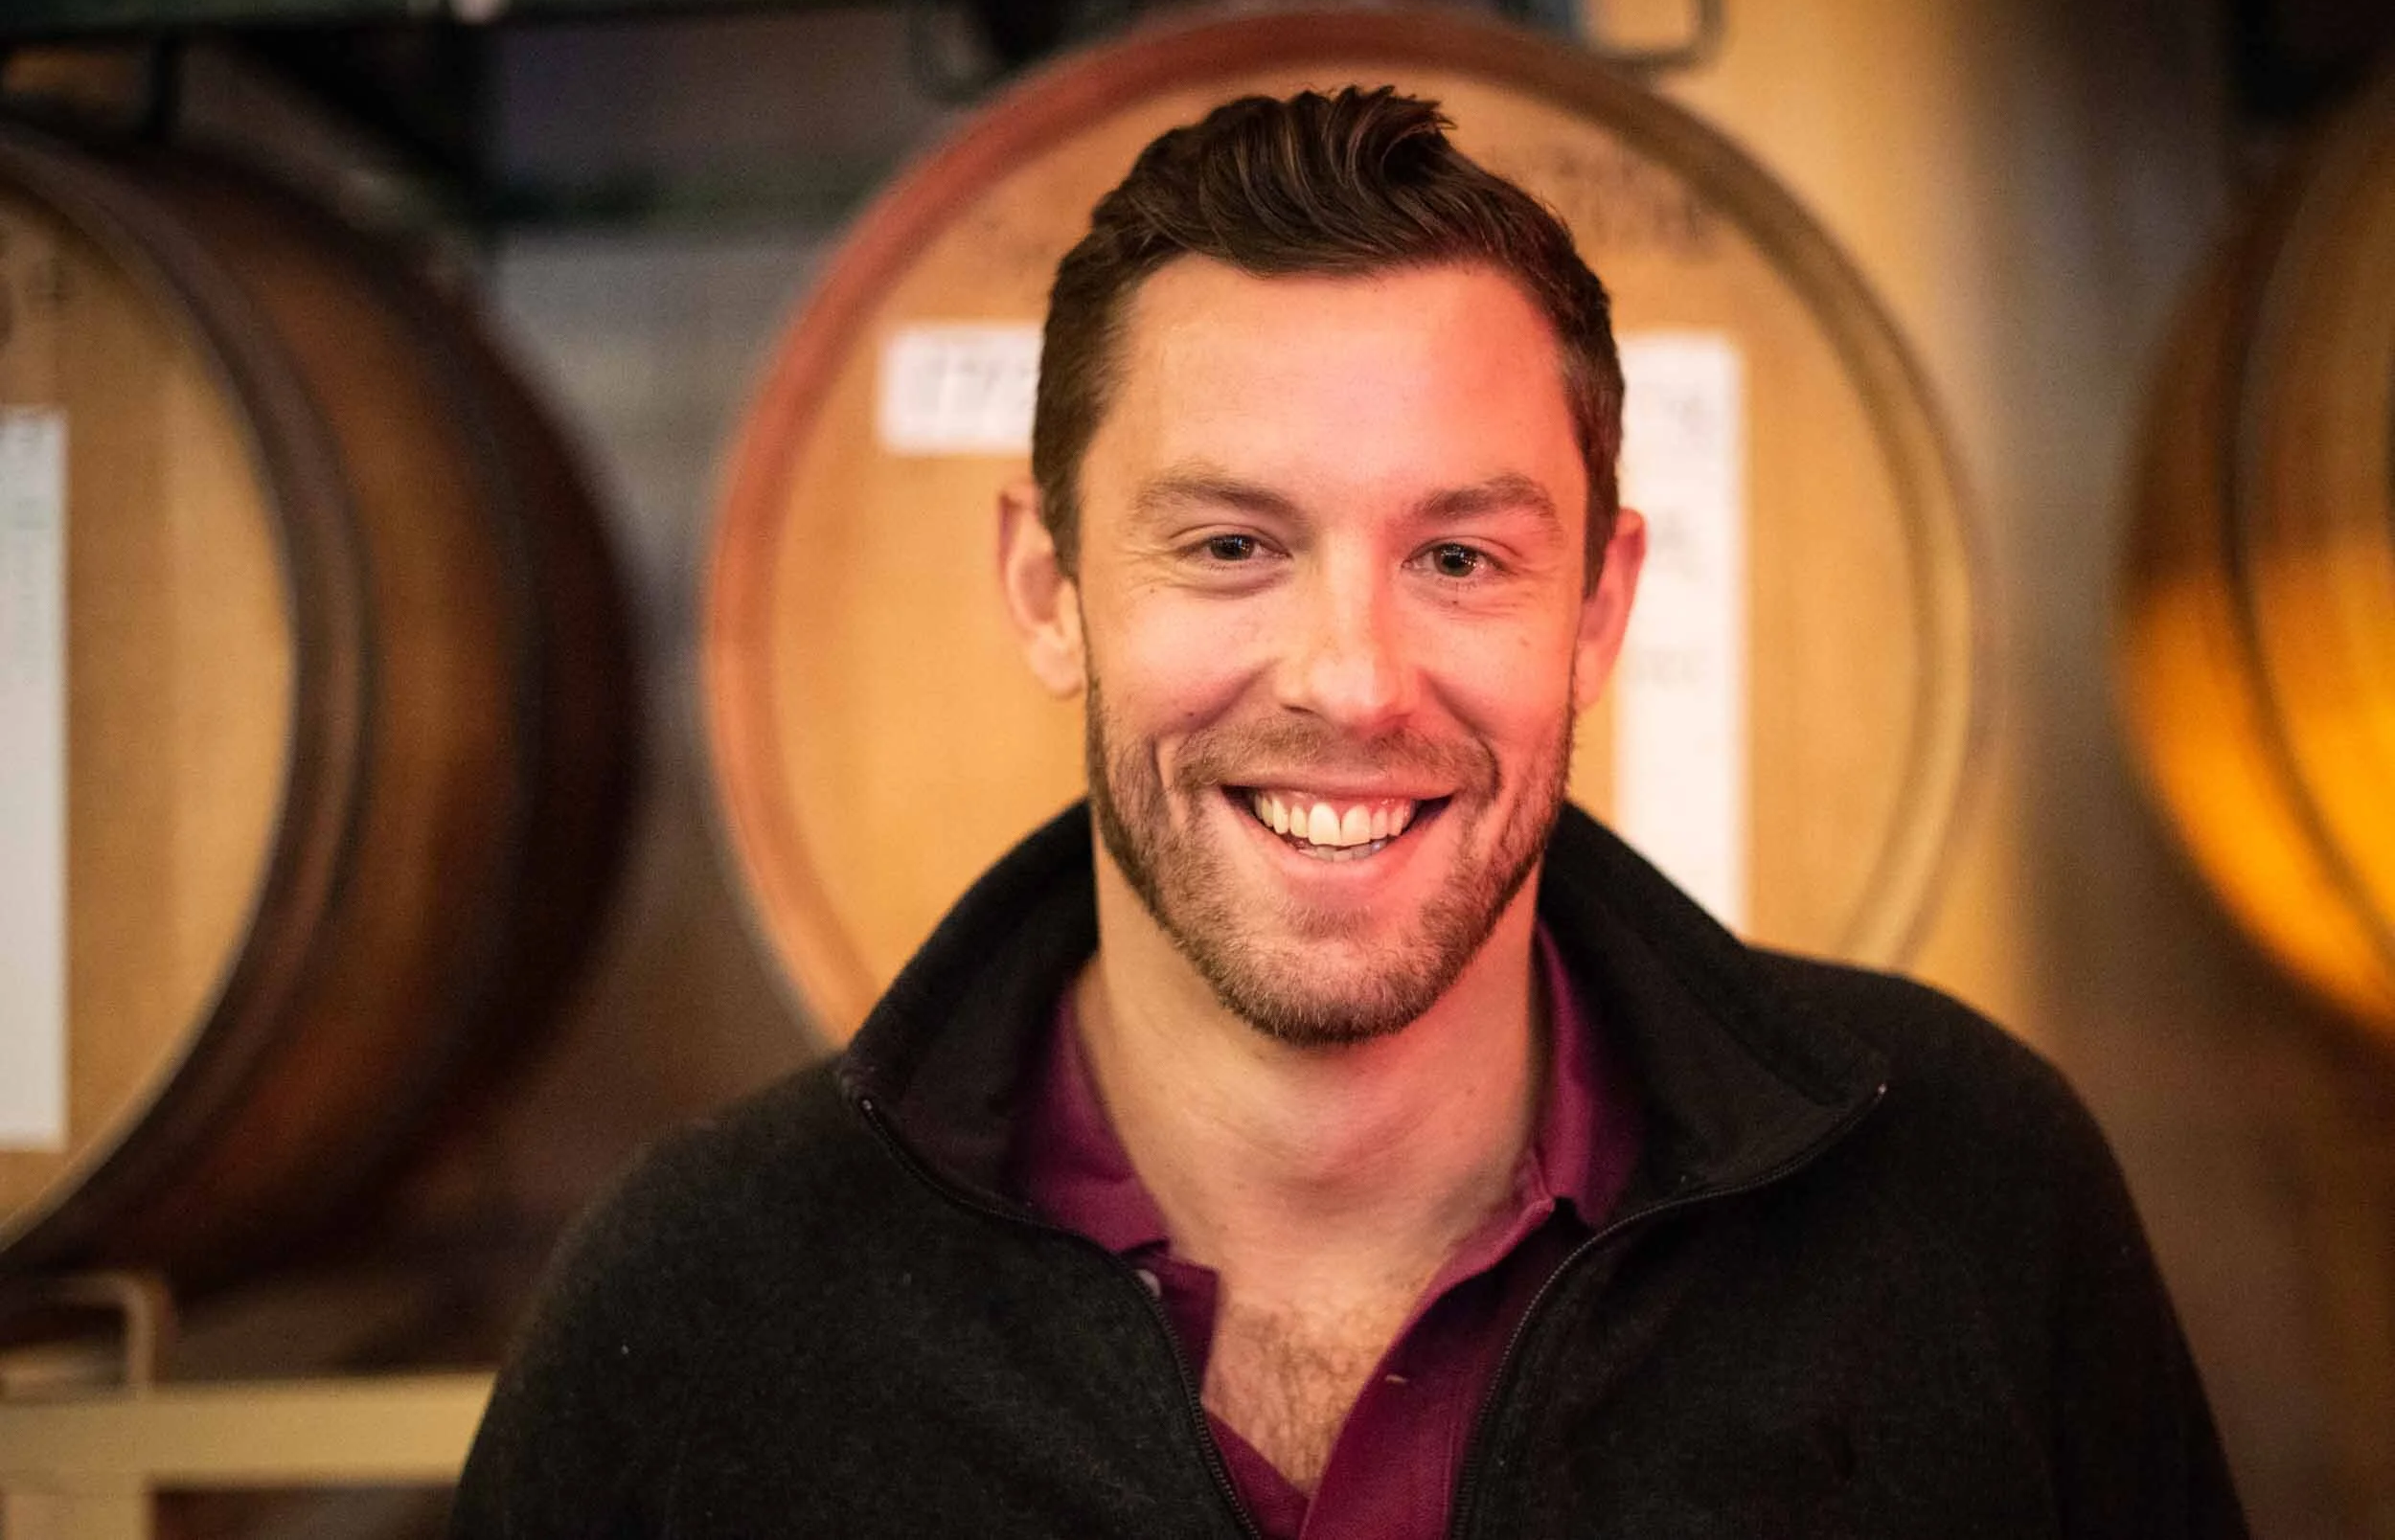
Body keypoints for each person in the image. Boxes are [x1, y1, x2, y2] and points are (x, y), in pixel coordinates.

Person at [452, 86, 2246, 1539]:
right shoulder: (700, 1313)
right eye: (1233, 544)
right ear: (1048, 587)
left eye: (1459, 557)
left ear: (1600, 607)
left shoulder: (1964, 1196)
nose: (1354, 682)